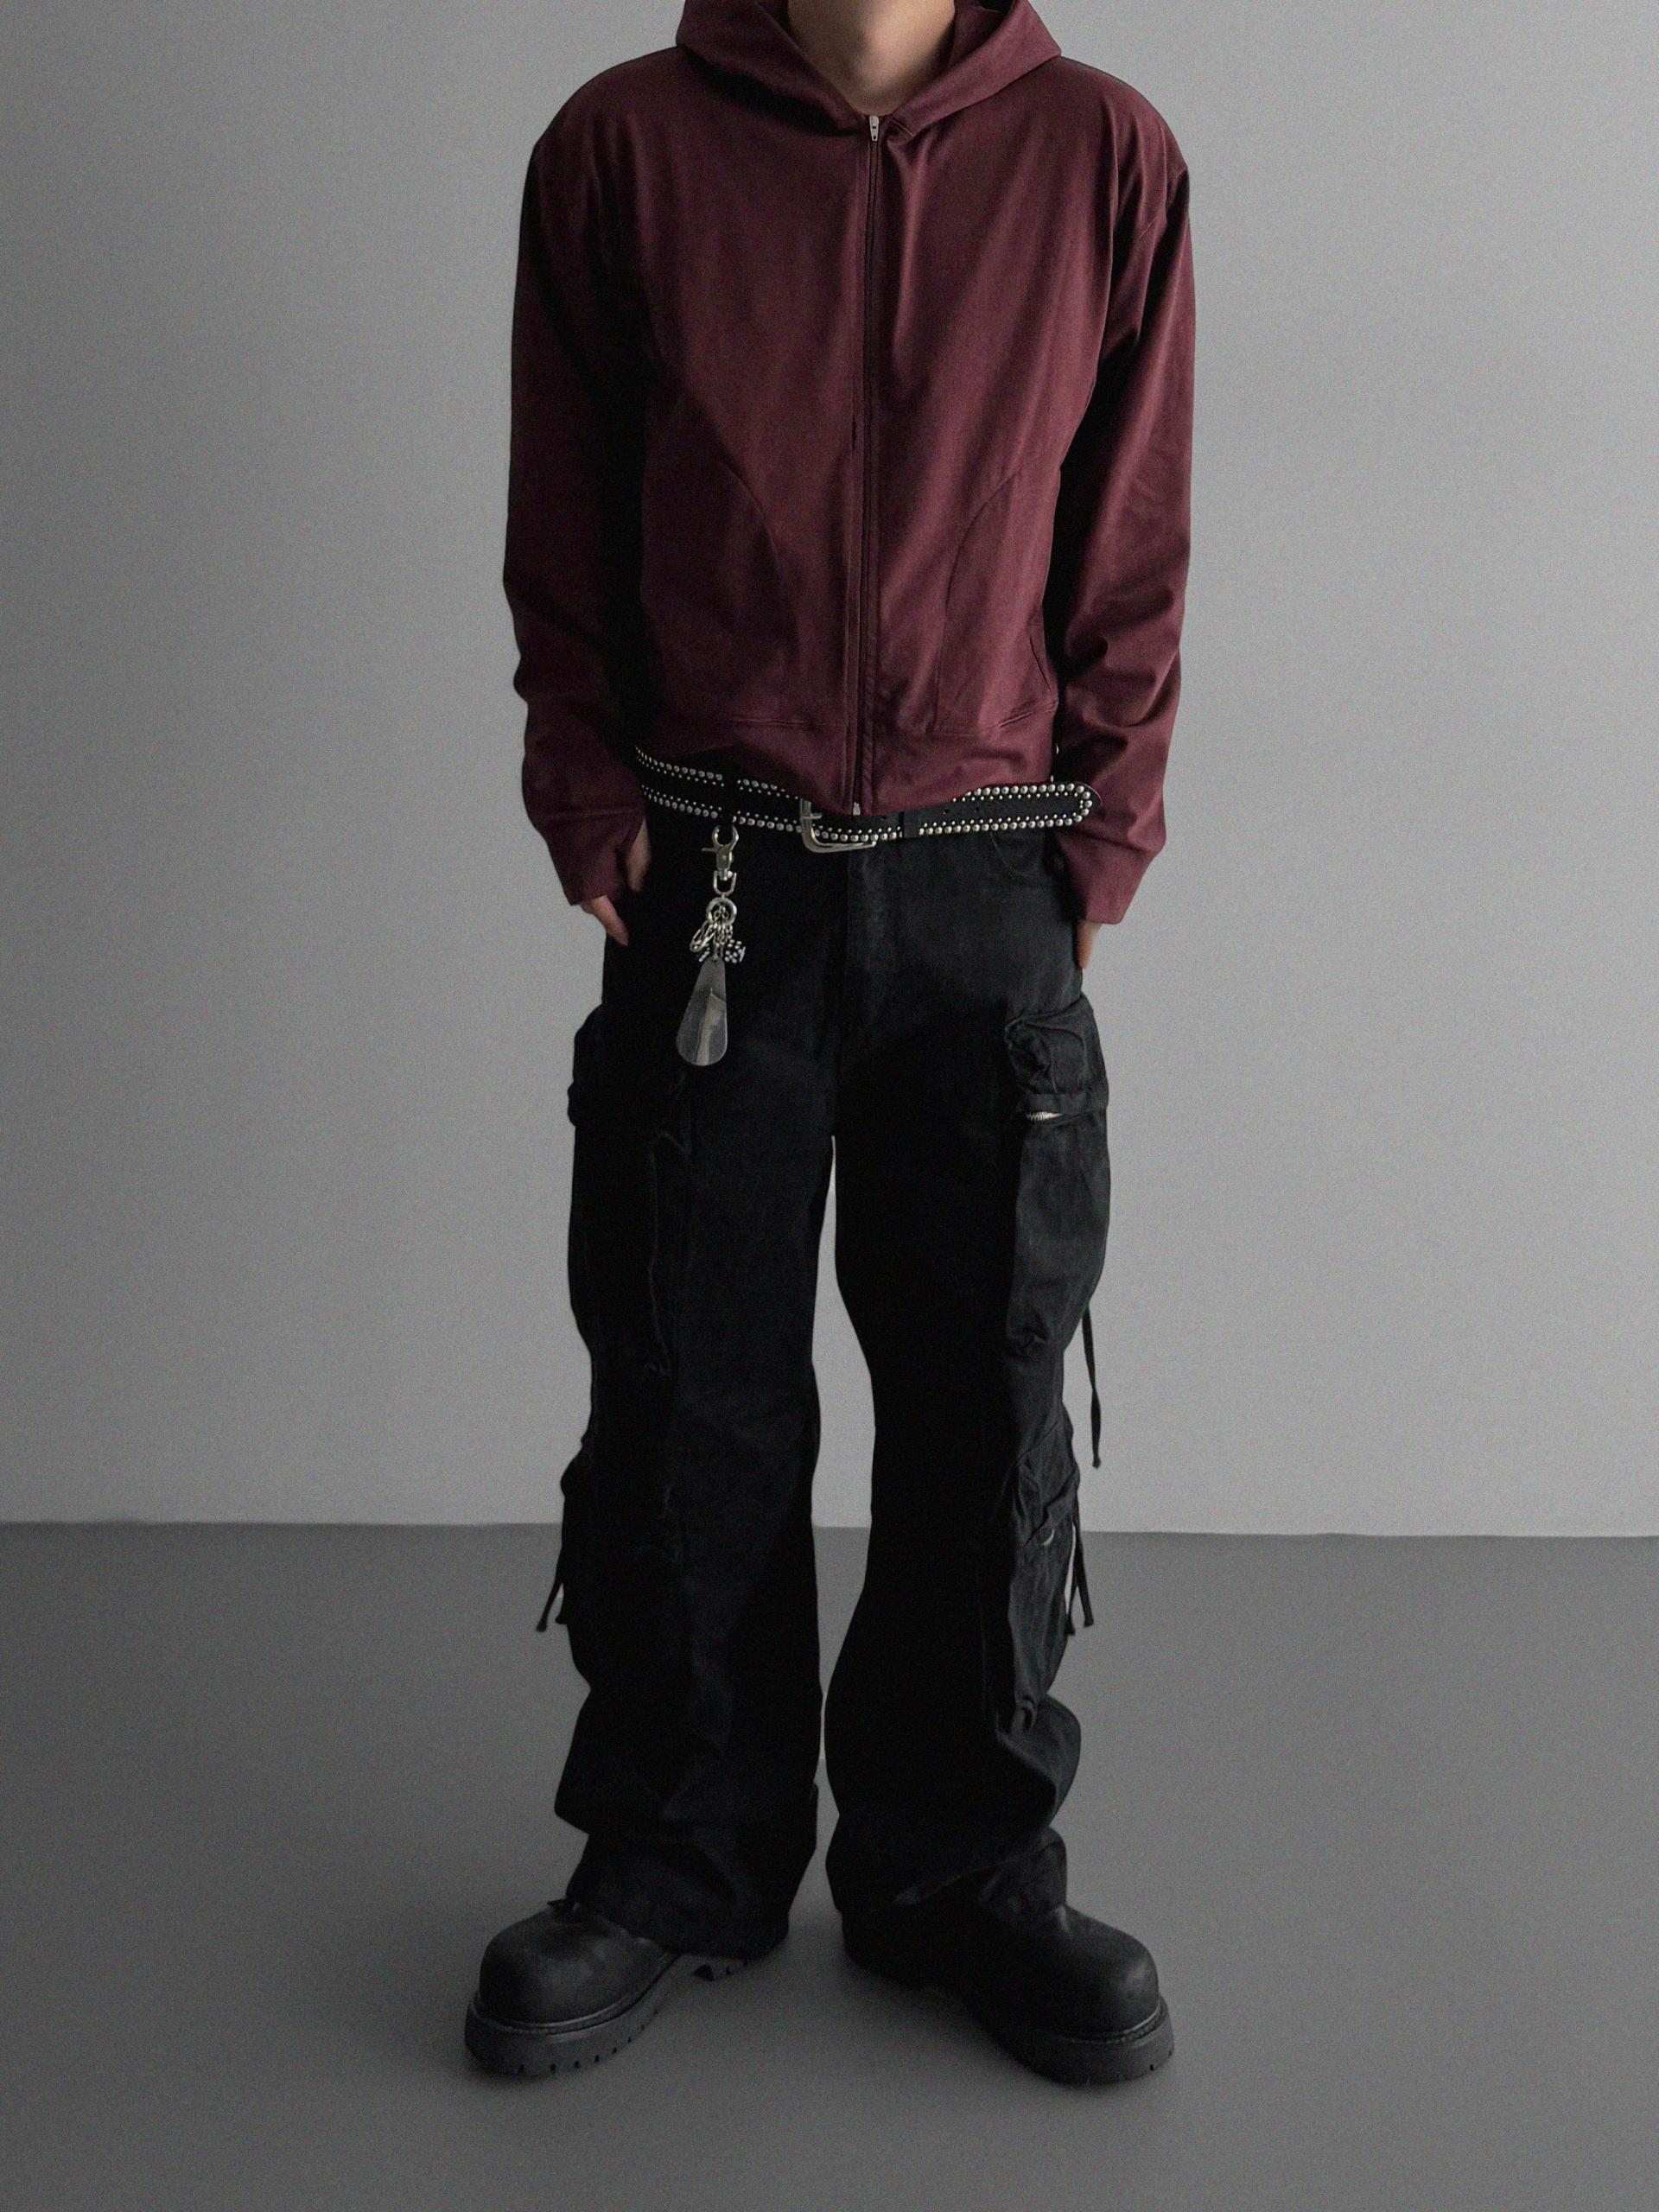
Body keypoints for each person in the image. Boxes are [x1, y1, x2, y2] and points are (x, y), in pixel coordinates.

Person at [465, 0, 1194, 2087]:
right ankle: (679, 1852)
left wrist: (1104, 832)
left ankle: (962, 1862)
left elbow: (1132, 534)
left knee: (987, 1393)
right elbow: (565, 508)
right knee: (686, 1388)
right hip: (718, 867)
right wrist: (585, 788)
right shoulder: (621, 152)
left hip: (985, 876)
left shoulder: (1104, 158)